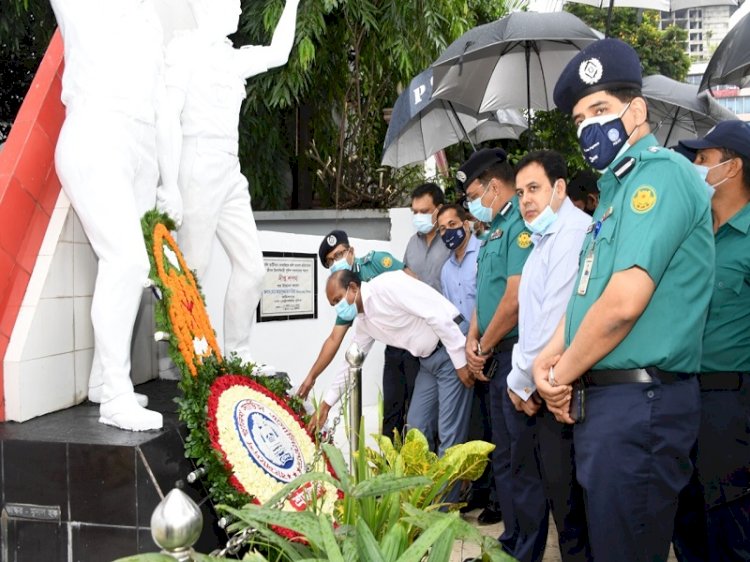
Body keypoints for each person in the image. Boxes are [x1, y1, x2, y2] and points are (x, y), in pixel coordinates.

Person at [532, 38, 714, 562]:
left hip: (643, 405)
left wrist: (560, 375)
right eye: (579, 119)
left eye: (600, 110)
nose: (589, 127)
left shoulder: (658, 177)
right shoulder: (612, 195)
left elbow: (623, 303)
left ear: (636, 110)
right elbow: (589, 295)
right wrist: (549, 356)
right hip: (612, 406)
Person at [50, 0, 183, 431]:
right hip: (97, 131)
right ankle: (116, 398)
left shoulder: (149, 21)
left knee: (131, 269)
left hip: (140, 145)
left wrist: (170, 183)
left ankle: (103, 384)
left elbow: (164, 110)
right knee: (127, 261)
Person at [165, 0, 299, 365]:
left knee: (253, 269)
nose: (239, 11)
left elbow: (280, 53)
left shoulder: (233, 57)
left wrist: (293, 3)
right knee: (195, 267)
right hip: (197, 159)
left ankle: (239, 354)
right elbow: (167, 117)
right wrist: (169, 182)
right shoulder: (185, 49)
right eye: (232, 4)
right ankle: (190, 359)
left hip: (229, 167)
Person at [672, 120, 750, 562]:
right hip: (680, 393)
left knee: (729, 520)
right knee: (685, 515)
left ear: (733, 167)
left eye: (703, 159)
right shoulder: (693, 232)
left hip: (730, 403)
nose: (696, 167)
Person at [507, 150, 591, 562]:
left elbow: (555, 321)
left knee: (574, 513)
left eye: (534, 189)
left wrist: (520, 381)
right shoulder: (543, 238)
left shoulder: (573, 235)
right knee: (561, 504)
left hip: (562, 389)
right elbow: (530, 322)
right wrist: (520, 379)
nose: (525, 200)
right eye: (520, 192)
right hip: (539, 385)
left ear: (560, 188)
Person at [309, 269, 473, 464]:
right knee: (415, 429)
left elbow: (435, 314)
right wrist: (326, 405)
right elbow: (350, 363)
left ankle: (447, 495)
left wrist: (460, 361)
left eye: (338, 300)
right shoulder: (364, 323)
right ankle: (424, 490)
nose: (338, 308)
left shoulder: (387, 286)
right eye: (333, 305)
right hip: (427, 360)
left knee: (449, 434)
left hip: (450, 345)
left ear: (353, 287)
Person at [457, 147, 534, 559]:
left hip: (512, 353)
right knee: (502, 454)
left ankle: (526, 547)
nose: (470, 203)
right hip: (491, 351)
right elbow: (483, 297)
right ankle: (511, 540)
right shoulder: (493, 232)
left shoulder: (520, 225)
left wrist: (483, 348)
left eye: (472, 194)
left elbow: (515, 297)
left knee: (520, 459)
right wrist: (473, 337)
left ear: (492, 186)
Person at [296, 230, 414, 438]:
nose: (336, 262)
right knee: (391, 417)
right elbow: (335, 340)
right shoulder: (345, 299)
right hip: (395, 350)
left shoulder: (375, 262)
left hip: (420, 346)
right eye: (330, 260)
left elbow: (413, 284)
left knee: (418, 417)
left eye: (339, 254)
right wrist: (312, 378)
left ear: (351, 251)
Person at [437, 203, 500, 524]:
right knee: (475, 426)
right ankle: (478, 489)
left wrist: (481, 346)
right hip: (464, 356)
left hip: (490, 348)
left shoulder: (485, 253)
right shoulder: (447, 269)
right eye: (442, 228)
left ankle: (498, 499)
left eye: (452, 224)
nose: (448, 232)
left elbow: (492, 302)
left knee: (496, 427)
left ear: (466, 223)